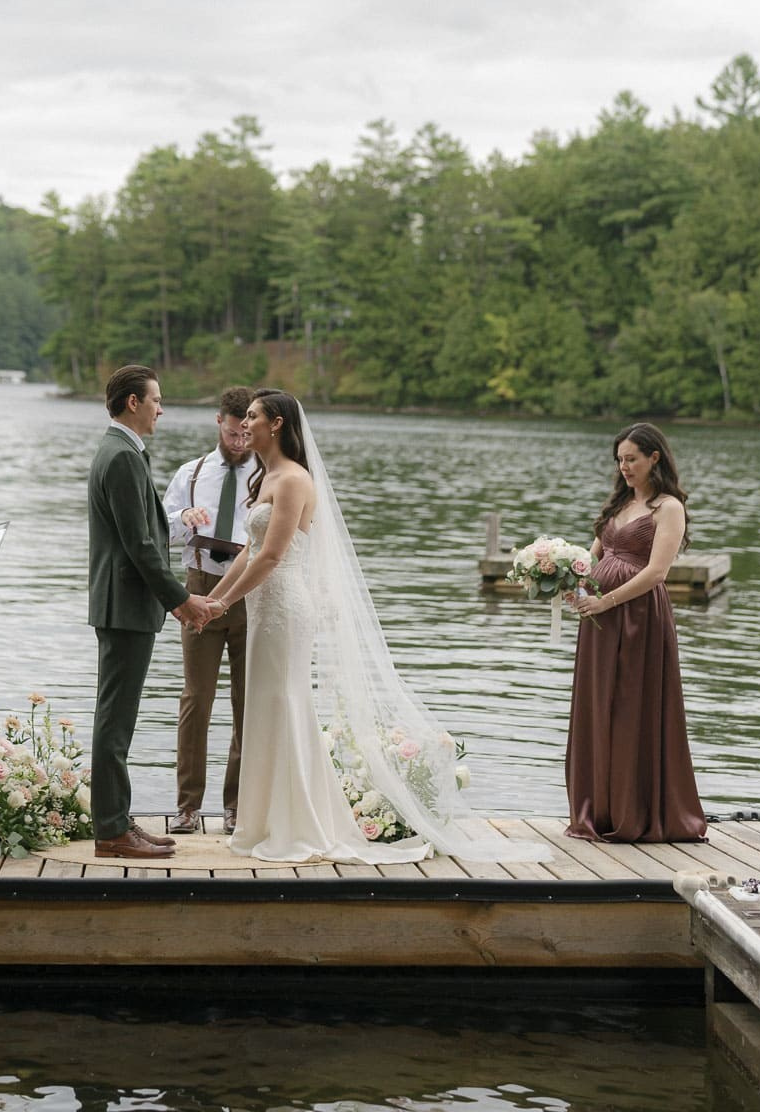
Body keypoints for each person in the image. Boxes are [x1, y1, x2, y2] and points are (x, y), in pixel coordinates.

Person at [203, 388, 547, 865]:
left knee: (285, 705)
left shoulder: (295, 480)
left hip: (284, 609)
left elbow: (272, 555)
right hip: (263, 610)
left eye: (254, 416)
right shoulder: (266, 477)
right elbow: (246, 551)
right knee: (264, 707)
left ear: (277, 423)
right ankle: (261, 822)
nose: (245, 424)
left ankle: (297, 825)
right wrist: (211, 599)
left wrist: (221, 609)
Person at [87, 364, 216, 860]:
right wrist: (182, 601)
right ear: (132, 403)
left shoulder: (124, 452)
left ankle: (117, 820)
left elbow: (148, 532)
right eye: (156, 399)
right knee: (114, 722)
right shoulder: (120, 456)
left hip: (126, 604)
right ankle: (112, 832)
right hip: (125, 605)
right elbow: (139, 545)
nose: (162, 409)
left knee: (118, 720)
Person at [565, 422, 706, 843]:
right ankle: (599, 808)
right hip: (599, 622)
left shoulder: (668, 508)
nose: (624, 467)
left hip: (639, 619)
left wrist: (606, 600)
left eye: (631, 459)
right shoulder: (617, 504)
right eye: (619, 460)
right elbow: (591, 559)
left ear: (654, 458)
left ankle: (635, 809)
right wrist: (571, 585)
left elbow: (657, 572)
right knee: (597, 705)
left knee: (631, 708)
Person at [163, 386, 256, 833]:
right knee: (196, 699)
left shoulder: (268, 475)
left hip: (253, 594)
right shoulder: (192, 473)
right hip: (199, 588)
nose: (240, 442)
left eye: (246, 434)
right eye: (234, 432)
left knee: (247, 703)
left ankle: (236, 805)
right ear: (218, 422)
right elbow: (160, 530)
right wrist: (183, 521)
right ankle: (187, 807)